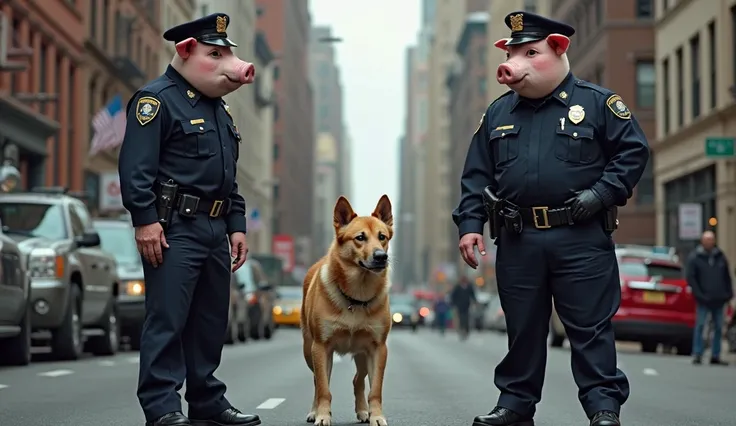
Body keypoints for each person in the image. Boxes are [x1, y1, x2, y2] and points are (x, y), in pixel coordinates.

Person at [453, 12, 649, 426]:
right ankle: (515, 405)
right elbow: (476, 175)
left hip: (580, 237)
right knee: (523, 329)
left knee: (589, 328)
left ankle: (602, 408)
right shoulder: (497, 113)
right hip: (519, 239)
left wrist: (601, 194)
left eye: (531, 53)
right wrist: (470, 226)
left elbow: (632, 152)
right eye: (512, 53)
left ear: (559, 48)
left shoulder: (598, 103)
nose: (516, 63)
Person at [118, 13, 260, 426]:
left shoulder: (220, 110)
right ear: (186, 52)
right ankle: (162, 406)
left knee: (210, 321)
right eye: (214, 54)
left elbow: (227, 176)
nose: (227, 64)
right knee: (168, 319)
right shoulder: (155, 100)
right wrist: (145, 221)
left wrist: (236, 224)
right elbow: (136, 170)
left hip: (215, 229)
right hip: (173, 227)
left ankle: (206, 400)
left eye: (227, 54)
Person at [686, 230, 733, 366]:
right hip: (703, 299)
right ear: (702, 241)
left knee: (719, 327)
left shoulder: (720, 257)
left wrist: (728, 294)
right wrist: (699, 294)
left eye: (711, 240)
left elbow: (726, 277)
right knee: (701, 326)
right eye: (706, 240)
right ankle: (697, 353)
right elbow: (691, 278)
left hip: (719, 298)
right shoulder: (695, 257)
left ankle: (716, 355)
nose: (709, 242)